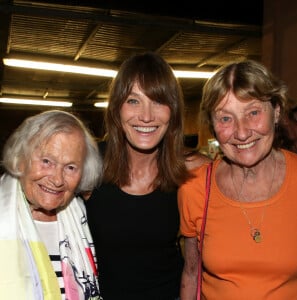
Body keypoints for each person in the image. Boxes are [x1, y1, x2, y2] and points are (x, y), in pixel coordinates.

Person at [85, 52, 210, 300]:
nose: (146, 116)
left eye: (158, 101)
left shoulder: (194, 170)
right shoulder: (89, 165)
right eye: (133, 101)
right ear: (116, 109)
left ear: (173, 111)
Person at [178, 60, 297, 299]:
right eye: (225, 118)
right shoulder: (195, 188)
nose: (242, 132)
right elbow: (192, 273)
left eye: (253, 113)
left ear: (276, 112)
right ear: (212, 125)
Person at [0, 110, 103, 299]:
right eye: (46, 161)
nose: (57, 180)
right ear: (21, 159)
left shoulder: (85, 217)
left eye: (70, 167)